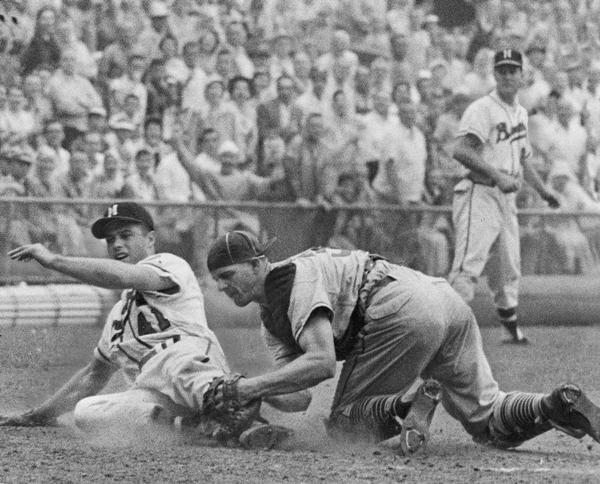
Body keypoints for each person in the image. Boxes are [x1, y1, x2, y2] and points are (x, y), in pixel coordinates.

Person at [206, 231, 600, 456]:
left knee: (345, 426)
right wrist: (253, 393)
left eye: (228, 274)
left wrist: (249, 387)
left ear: (258, 264)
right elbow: (301, 394)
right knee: (488, 423)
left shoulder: (293, 281)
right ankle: (554, 404)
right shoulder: (271, 320)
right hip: (440, 299)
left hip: (397, 307)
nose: (222, 286)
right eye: (216, 279)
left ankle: (408, 404)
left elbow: (323, 363)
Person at [0, 202, 292, 450]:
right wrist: (36, 415)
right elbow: (91, 377)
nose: (116, 244)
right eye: (111, 239)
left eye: (126, 235)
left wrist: (55, 260)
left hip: (190, 366)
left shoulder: (169, 264)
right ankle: (199, 428)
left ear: (151, 239)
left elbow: (123, 277)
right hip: (157, 393)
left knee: (172, 361)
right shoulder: (117, 316)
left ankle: (239, 406)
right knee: (87, 411)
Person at [448, 50, 560, 344]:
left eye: (513, 70)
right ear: (495, 75)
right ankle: (445, 332)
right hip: (481, 194)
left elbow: (523, 159)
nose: (508, 76)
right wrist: (497, 175)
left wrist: (542, 190)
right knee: (470, 262)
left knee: (508, 265)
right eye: (503, 70)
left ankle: (511, 331)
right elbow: (461, 150)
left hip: (505, 200)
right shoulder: (482, 108)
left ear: (523, 76)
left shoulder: (520, 112)